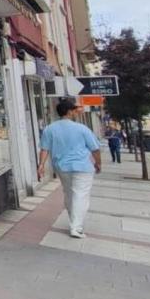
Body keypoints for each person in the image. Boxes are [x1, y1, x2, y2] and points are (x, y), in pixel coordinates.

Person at [37, 98, 101, 239]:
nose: (76, 112)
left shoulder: (50, 129)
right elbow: (95, 149)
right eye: (74, 110)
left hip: (62, 167)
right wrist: (98, 163)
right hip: (82, 167)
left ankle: (74, 222)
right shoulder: (82, 128)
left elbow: (44, 149)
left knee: (69, 194)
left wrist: (41, 165)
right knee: (80, 195)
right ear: (70, 112)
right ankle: (76, 227)